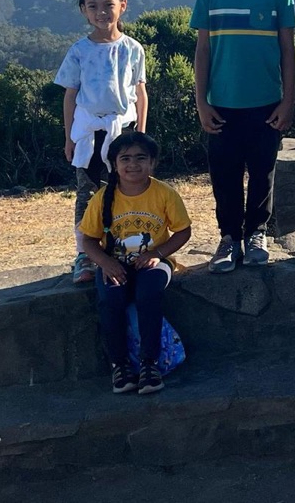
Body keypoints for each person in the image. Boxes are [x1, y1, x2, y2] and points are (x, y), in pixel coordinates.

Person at [192, 0, 295, 273]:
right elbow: (202, 52)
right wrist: (201, 102)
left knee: (262, 172)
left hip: (266, 102)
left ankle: (256, 234)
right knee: (224, 174)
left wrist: (288, 100)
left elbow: (288, 51)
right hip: (221, 103)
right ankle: (228, 239)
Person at [78, 132, 191, 395]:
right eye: (125, 158)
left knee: (148, 292)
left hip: (153, 261)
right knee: (111, 298)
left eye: (141, 158)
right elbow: (89, 240)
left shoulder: (164, 193)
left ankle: (149, 364)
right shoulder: (103, 198)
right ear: (114, 164)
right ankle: (120, 366)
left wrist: (158, 254)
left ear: (152, 163)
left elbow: (183, 231)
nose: (133, 164)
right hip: (113, 263)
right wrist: (105, 263)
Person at [54, 0, 148, 285]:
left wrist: (140, 137)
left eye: (108, 5)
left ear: (123, 6)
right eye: (92, 6)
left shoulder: (133, 49)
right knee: (88, 193)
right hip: (89, 134)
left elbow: (140, 92)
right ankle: (86, 254)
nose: (101, 12)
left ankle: (126, 247)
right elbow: (70, 95)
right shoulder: (79, 51)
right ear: (83, 10)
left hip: (123, 130)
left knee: (127, 191)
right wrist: (69, 137)